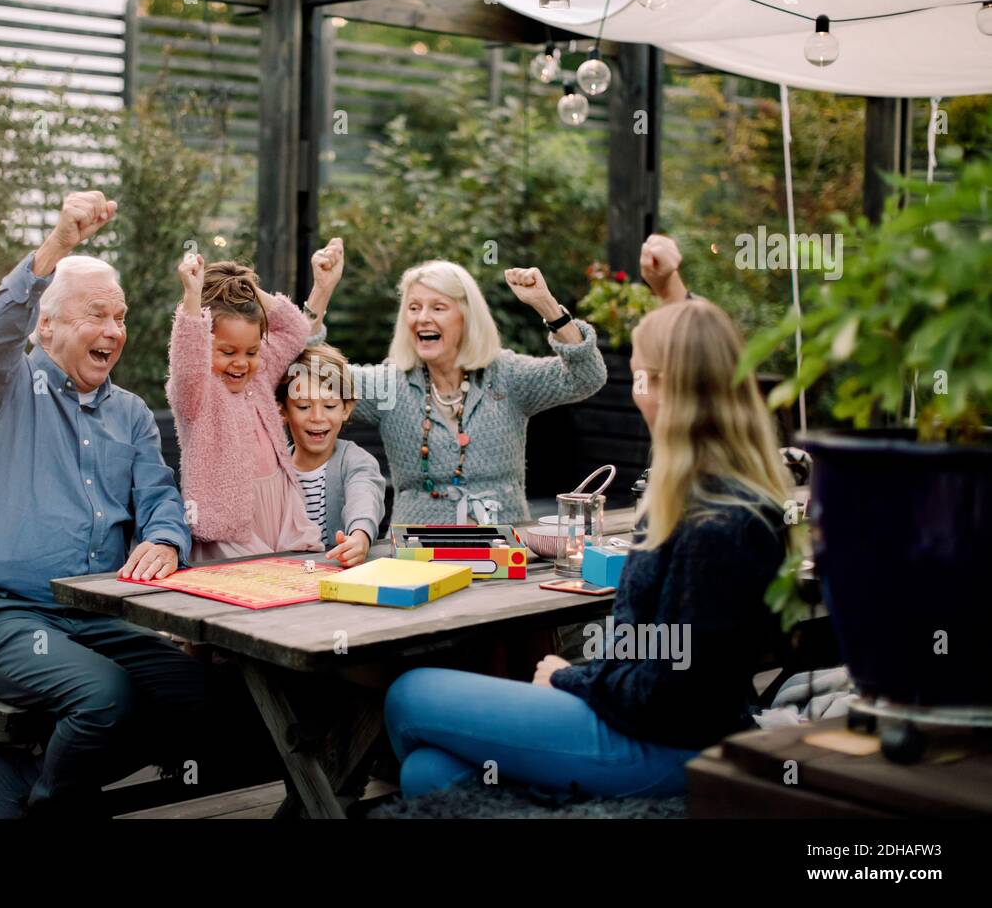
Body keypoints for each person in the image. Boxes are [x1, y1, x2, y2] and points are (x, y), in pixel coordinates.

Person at [383, 295, 791, 799]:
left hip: (669, 745)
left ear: (671, 387)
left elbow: (673, 695)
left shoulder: (720, 523)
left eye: (640, 377)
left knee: (409, 694)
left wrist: (569, 679)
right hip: (642, 722)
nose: (636, 394)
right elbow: (646, 655)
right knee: (428, 775)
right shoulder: (698, 495)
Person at [0, 191, 203, 818]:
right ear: (47, 325)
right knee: (105, 697)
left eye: (120, 317)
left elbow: (162, 497)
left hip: (98, 615)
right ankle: (53, 808)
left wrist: (165, 540)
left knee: (201, 695)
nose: (114, 331)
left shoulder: (133, 414)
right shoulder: (0, 387)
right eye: (96, 315)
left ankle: (33, 780)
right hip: (0, 618)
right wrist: (58, 244)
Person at [307, 239, 617, 526]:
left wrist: (548, 306)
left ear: (467, 318)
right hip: (418, 558)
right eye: (414, 308)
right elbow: (308, 372)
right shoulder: (389, 384)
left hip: (503, 554)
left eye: (438, 307)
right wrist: (321, 291)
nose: (422, 318)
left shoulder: (506, 375)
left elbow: (586, 377)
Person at [165, 245, 340, 560]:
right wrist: (193, 297)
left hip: (281, 511)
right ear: (206, 346)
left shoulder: (257, 378)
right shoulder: (197, 393)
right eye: (228, 352)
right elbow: (187, 359)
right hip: (230, 525)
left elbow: (295, 329)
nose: (241, 363)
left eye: (251, 352)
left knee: (293, 588)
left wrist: (248, 288)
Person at [277, 341, 387, 568]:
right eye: (304, 406)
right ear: (283, 410)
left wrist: (359, 537)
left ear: (346, 408)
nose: (317, 417)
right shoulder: (274, 468)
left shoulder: (356, 461)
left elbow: (364, 497)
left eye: (329, 406)